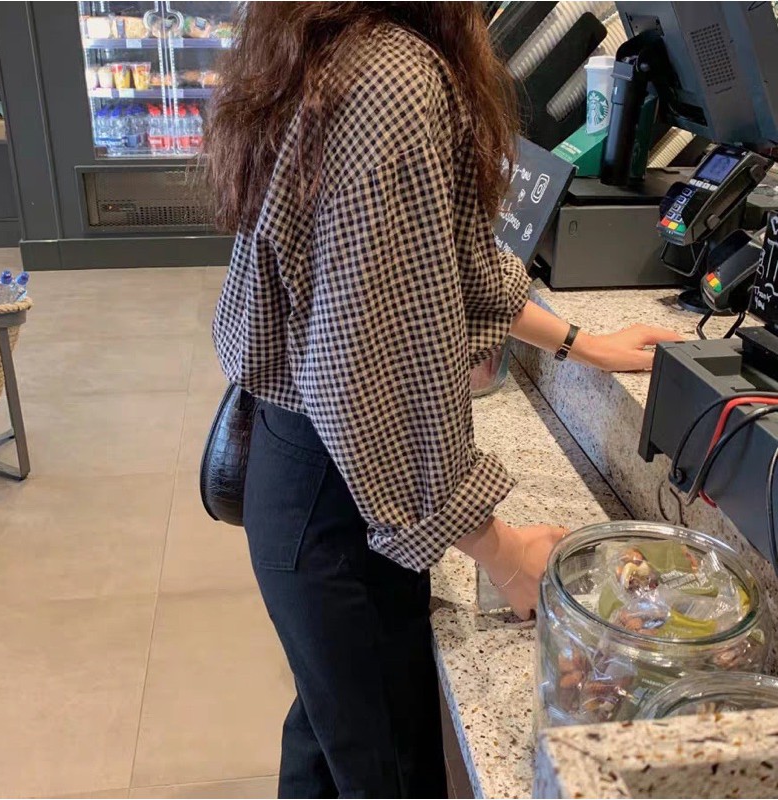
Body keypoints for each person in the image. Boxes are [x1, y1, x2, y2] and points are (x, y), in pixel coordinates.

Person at [206, 4, 678, 797]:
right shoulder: (392, 74)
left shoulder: (352, 48)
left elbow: (450, 262)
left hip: (318, 480)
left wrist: (582, 343)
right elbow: (362, 369)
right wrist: (501, 551)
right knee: (386, 771)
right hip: (339, 498)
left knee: (327, 749)